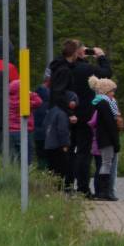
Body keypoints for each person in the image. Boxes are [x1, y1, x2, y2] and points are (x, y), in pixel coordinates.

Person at [48, 39, 111, 197]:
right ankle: (83, 187)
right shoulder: (86, 69)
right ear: (78, 52)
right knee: (83, 152)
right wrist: (101, 56)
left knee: (68, 150)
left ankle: (67, 185)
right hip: (84, 115)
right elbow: (106, 74)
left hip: (67, 114)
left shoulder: (60, 66)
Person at [88, 76, 119, 201]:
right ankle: (104, 192)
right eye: (112, 91)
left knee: (103, 164)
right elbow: (110, 124)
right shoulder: (105, 104)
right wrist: (115, 141)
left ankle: (102, 191)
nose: (113, 94)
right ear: (105, 91)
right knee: (106, 165)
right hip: (106, 140)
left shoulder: (98, 103)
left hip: (101, 139)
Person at [44, 91, 78, 191]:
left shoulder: (53, 110)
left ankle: (52, 189)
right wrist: (66, 145)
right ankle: (60, 190)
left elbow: (44, 124)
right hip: (59, 146)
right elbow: (62, 130)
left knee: (52, 169)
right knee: (61, 170)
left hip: (49, 144)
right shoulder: (62, 113)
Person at [8, 79, 42, 163]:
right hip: (24, 131)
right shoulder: (25, 102)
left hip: (10, 131)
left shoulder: (7, 101)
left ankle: (13, 173)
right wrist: (30, 93)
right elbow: (39, 101)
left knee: (13, 156)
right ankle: (25, 173)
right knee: (27, 156)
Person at [33, 73, 51, 169]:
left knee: (41, 155)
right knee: (48, 157)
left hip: (38, 134)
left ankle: (42, 173)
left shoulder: (35, 99)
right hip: (48, 134)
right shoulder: (50, 101)